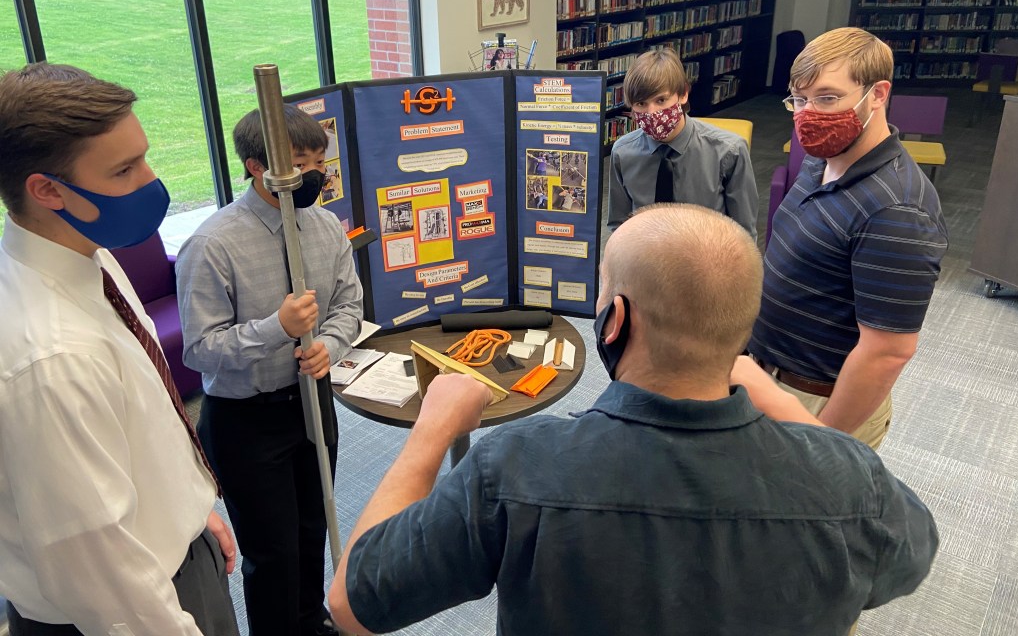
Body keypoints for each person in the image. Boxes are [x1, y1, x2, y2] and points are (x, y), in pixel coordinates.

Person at [327, 204, 938, 636]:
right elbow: (909, 559)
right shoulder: (852, 480)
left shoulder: (512, 467)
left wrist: (434, 429)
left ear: (615, 319)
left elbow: (354, 604)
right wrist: (782, 405)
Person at [0, 63, 239, 635]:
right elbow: (101, 582)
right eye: (124, 170)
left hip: (168, 551)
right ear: (47, 190)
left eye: (144, 157)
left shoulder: (90, 256)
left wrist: (184, 510)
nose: (152, 181)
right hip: (138, 606)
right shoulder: (52, 361)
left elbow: (133, 419)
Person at [176, 105, 363, 636]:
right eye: (300, 165)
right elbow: (200, 350)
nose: (316, 176)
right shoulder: (211, 245)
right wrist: (276, 328)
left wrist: (328, 344)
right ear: (257, 167)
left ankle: (310, 621)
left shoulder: (325, 227)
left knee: (312, 528)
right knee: (272, 550)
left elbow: (349, 304)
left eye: (320, 162)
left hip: (312, 403)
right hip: (246, 419)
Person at [747, 27, 948, 450]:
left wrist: (824, 442)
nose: (808, 115)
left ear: (878, 94)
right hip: (768, 377)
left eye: (827, 98)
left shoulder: (897, 210)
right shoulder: (822, 160)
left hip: (816, 401)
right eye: (799, 100)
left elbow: (887, 352)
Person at [608, 47, 757, 236]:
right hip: (645, 251)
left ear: (683, 94)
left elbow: (744, 232)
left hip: (707, 251)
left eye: (661, 100)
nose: (652, 112)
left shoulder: (728, 151)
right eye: (641, 104)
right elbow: (619, 226)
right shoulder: (623, 153)